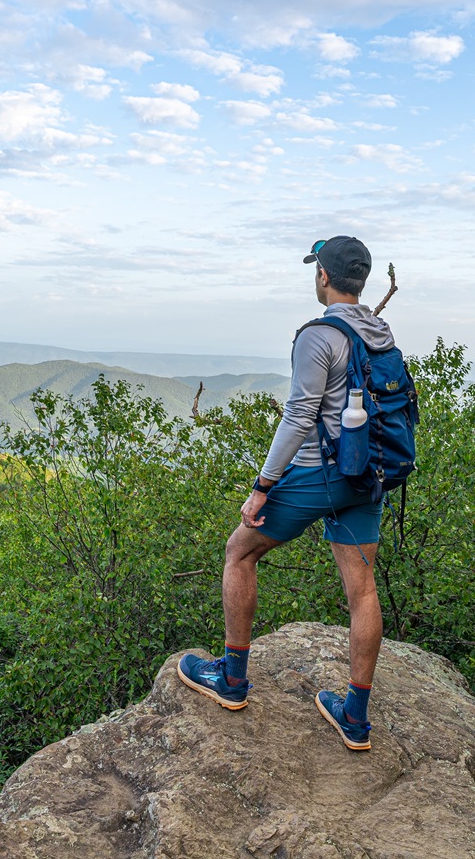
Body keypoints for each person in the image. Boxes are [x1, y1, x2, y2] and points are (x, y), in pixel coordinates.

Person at [178, 236, 395, 751]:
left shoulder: (318, 335)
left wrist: (262, 487)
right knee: (362, 590)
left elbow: (299, 415)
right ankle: (355, 718)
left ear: (323, 275)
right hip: (368, 474)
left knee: (239, 550)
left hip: (318, 475)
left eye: (315, 268)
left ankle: (231, 679)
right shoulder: (379, 330)